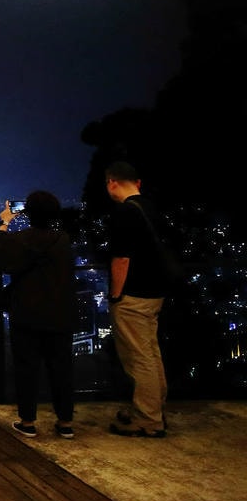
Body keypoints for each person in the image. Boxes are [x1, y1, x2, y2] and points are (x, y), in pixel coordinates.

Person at [0, 190, 77, 439]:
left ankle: (28, 421)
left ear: (27, 213)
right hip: (60, 312)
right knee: (61, 368)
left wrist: (5, 222)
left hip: (27, 312)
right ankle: (65, 422)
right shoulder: (63, 240)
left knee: (26, 368)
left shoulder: (21, 240)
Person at [104, 161, 169, 438]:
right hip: (155, 292)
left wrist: (116, 295)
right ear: (138, 183)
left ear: (112, 182)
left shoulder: (125, 212)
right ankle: (153, 409)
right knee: (151, 354)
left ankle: (148, 419)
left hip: (133, 295)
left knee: (138, 358)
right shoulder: (151, 207)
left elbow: (121, 258)